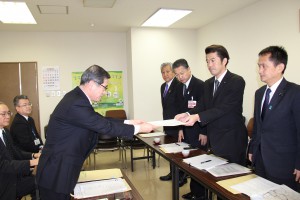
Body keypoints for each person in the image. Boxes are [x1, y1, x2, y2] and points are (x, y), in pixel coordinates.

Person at [36, 65, 155, 200]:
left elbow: (100, 119)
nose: (105, 92)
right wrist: (138, 129)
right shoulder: (76, 102)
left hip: (61, 167)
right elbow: (103, 126)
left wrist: (129, 122)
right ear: (92, 84)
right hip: (57, 172)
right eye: (104, 87)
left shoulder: (78, 98)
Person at [176, 45, 248, 200]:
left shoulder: (236, 81)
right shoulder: (208, 84)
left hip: (232, 140)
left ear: (225, 61)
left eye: (213, 60)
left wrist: (197, 117)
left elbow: (224, 108)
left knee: (232, 185)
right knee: (218, 183)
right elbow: (203, 105)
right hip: (215, 140)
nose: (209, 65)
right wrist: (187, 113)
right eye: (207, 61)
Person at [248, 46, 300, 191]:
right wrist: (252, 149)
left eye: (264, 66)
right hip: (260, 161)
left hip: (284, 164)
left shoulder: (295, 93)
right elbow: (258, 126)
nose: (259, 70)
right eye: (259, 66)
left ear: (280, 67)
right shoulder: (259, 93)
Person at [173, 58, 207, 190]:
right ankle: (194, 191)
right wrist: (180, 128)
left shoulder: (200, 85)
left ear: (189, 69)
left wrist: (204, 131)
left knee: (199, 162)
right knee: (190, 163)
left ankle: (201, 194)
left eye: (182, 73)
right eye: (176, 75)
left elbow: (205, 110)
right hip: (186, 131)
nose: (180, 77)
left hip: (199, 131)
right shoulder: (179, 87)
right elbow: (180, 110)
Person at [0, 101, 40, 200]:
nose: (8, 116)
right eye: (3, 114)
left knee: (43, 178)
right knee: (41, 181)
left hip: (13, 176)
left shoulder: (5, 132)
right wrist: (32, 162)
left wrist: (34, 155)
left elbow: (15, 152)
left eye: (9, 113)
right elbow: (3, 166)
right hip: (5, 183)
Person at [159, 62, 180, 182]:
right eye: (163, 72)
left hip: (176, 125)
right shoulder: (163, 87)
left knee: (177, 152)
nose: (165, 74)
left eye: (168, 71)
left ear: (173, 72)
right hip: (167, 124)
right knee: (170, 151)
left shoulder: (179, 84)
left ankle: (180, 177)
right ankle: (172, 173)